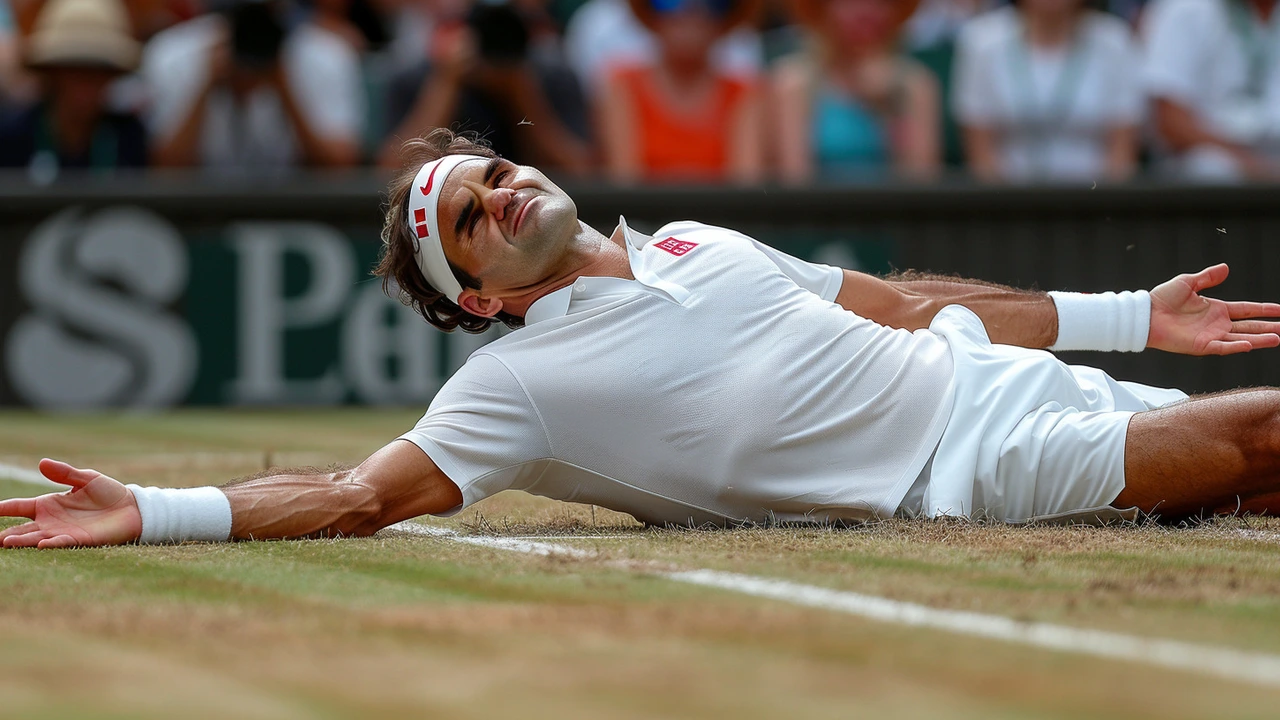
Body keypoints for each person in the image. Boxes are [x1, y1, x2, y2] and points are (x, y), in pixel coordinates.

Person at [7, 128, 1280, 548]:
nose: (496, 192)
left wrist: (1127, 317)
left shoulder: (697, 240)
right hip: (957, 479)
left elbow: (897, 303)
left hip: (1004, 378)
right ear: (484, 298)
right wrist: (162, 512)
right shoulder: (513, 385)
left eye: (490, 173)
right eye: (468, 218)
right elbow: (353, 494)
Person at [143, 0, 365, 171]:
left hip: (296, 215)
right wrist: (206, 84)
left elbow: (340, 166)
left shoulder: (328, 54)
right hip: (198, 217)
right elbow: (165, 168)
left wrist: (284, 85)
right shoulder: (171, 53)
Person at [952, 0, 1143, 183]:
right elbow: (981, 152)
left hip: (1096, 204)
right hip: (1007, 205)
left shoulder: (1116, 40)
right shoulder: (980, 41)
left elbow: (1122, 151)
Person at [771, 0, 941, 182]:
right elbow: (795, 183)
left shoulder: (916, 85)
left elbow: (921, 182)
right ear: (823, 7)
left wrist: (890, 108)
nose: (866, 11)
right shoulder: (792, 83)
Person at [597, 0, 763, 183]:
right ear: (650, 11)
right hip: (643, 212)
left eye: (714, 4)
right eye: (670, 2)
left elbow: (745, 190)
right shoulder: (622, 85)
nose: (691, 12)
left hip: (719, 212)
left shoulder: (743, 94)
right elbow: (625, 184)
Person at [0, 0, 148, 179]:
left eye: (97, 70)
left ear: (110, 76)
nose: (86, 82)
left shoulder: (129, 136)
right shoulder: (13, 136)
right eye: (74, 70)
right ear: (53, 73)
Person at [1141, 0, 1280, 181]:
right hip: (1211, 156)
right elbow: (1169, 121)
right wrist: (1252, 164)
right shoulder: (1184, 9)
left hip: (1273, 153)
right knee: (1211, 168)